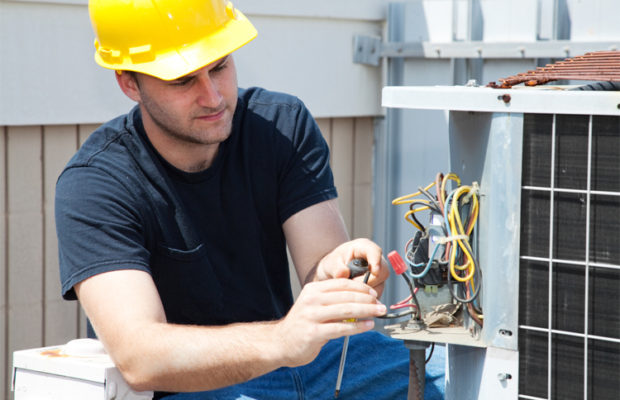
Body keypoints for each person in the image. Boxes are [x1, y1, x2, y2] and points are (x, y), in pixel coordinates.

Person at [55, 1, 419, 399]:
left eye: (220, 66)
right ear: (128, 83)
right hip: (191, 389)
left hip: (305, 363)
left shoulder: (282, 125)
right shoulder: (96, 183)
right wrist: (282, 340)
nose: (213, 97)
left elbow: (320, 272)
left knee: (453, 378)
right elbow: (140, 358)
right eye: (182, 80)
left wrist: (336, 272)